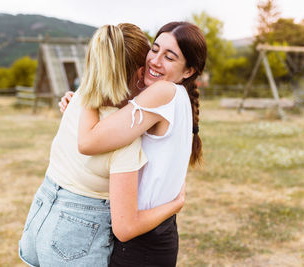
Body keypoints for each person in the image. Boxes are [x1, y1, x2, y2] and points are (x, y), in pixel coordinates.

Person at [19, 23, 185, 267]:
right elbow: (126, 227)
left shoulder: (79, 101)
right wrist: (174, 204)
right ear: (140, 74)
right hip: (74, 240)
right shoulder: (122, 140)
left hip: (39, 219)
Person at [60, 21, 207, 267]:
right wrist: (78, 107)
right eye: (155, 49)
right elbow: (115, 124)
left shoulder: (164, 92)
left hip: (141, 244)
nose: (155, 60)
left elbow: (88, 141)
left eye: (169, 57)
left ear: (188, 70)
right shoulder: (178, 98)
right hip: (157, 235)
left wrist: (88, 91)